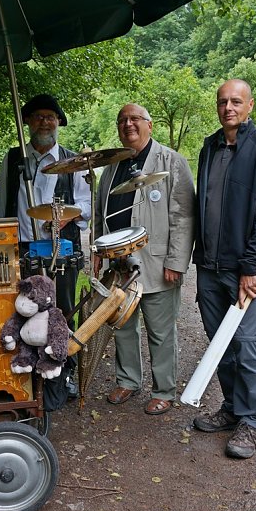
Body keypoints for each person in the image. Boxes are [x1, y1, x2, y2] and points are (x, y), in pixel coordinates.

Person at [191, 79, 256, 459]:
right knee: (219, 346)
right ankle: (231, 408)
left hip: (243, 270)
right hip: (209, 266)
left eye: (236, 101)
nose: (228, 107)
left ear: (250, 106)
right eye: (222, 102)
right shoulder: (209, 147)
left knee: (245, 345)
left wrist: (251, 267)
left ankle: (251, 421)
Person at [93, 103, 195, 415]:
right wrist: (98, 253)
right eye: (122, 120)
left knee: (160, 330)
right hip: (119, 263)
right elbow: (101, 213)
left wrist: (176, 262)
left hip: (157, 262)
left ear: (149, 125)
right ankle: (128, 380)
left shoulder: (170, 161)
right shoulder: (111, 166)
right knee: (122, 324)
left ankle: (164, 389)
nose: (128, 124)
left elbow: (184, 216)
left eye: (135, 119)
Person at [0, 94, 91, 408]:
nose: (44, 122)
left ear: (58, 122)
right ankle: (28, 373)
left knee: (62, 310)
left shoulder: (73, 161)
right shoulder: (13, 159)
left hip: (61, 248)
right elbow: (0, 206)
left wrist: (65, 219)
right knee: (22, 310)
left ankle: (64, 371)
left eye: (50, 116)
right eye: (37, 117)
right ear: (28, 123)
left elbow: (85, 206)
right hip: (22, 249)